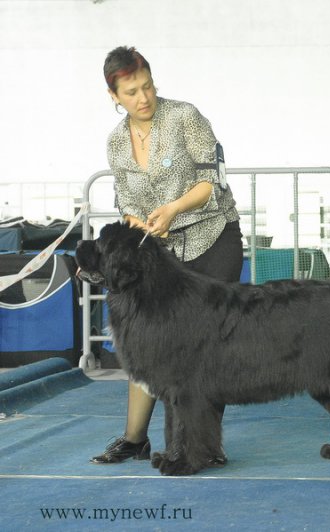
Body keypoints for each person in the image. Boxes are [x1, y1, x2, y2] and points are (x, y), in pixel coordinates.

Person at [91, 46, 243, 464]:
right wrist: (137, 221)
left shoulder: (185, 117)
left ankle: (203, 448)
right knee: (147, 338)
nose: (143, 98)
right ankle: (134, 439)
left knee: (205, 348)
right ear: (114, 96)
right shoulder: (116, 144)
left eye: (147, 86)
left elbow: (213, 183)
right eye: (131, 92)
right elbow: (127, 201)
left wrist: (174, 208)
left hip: (212, 239)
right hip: (161, 252)